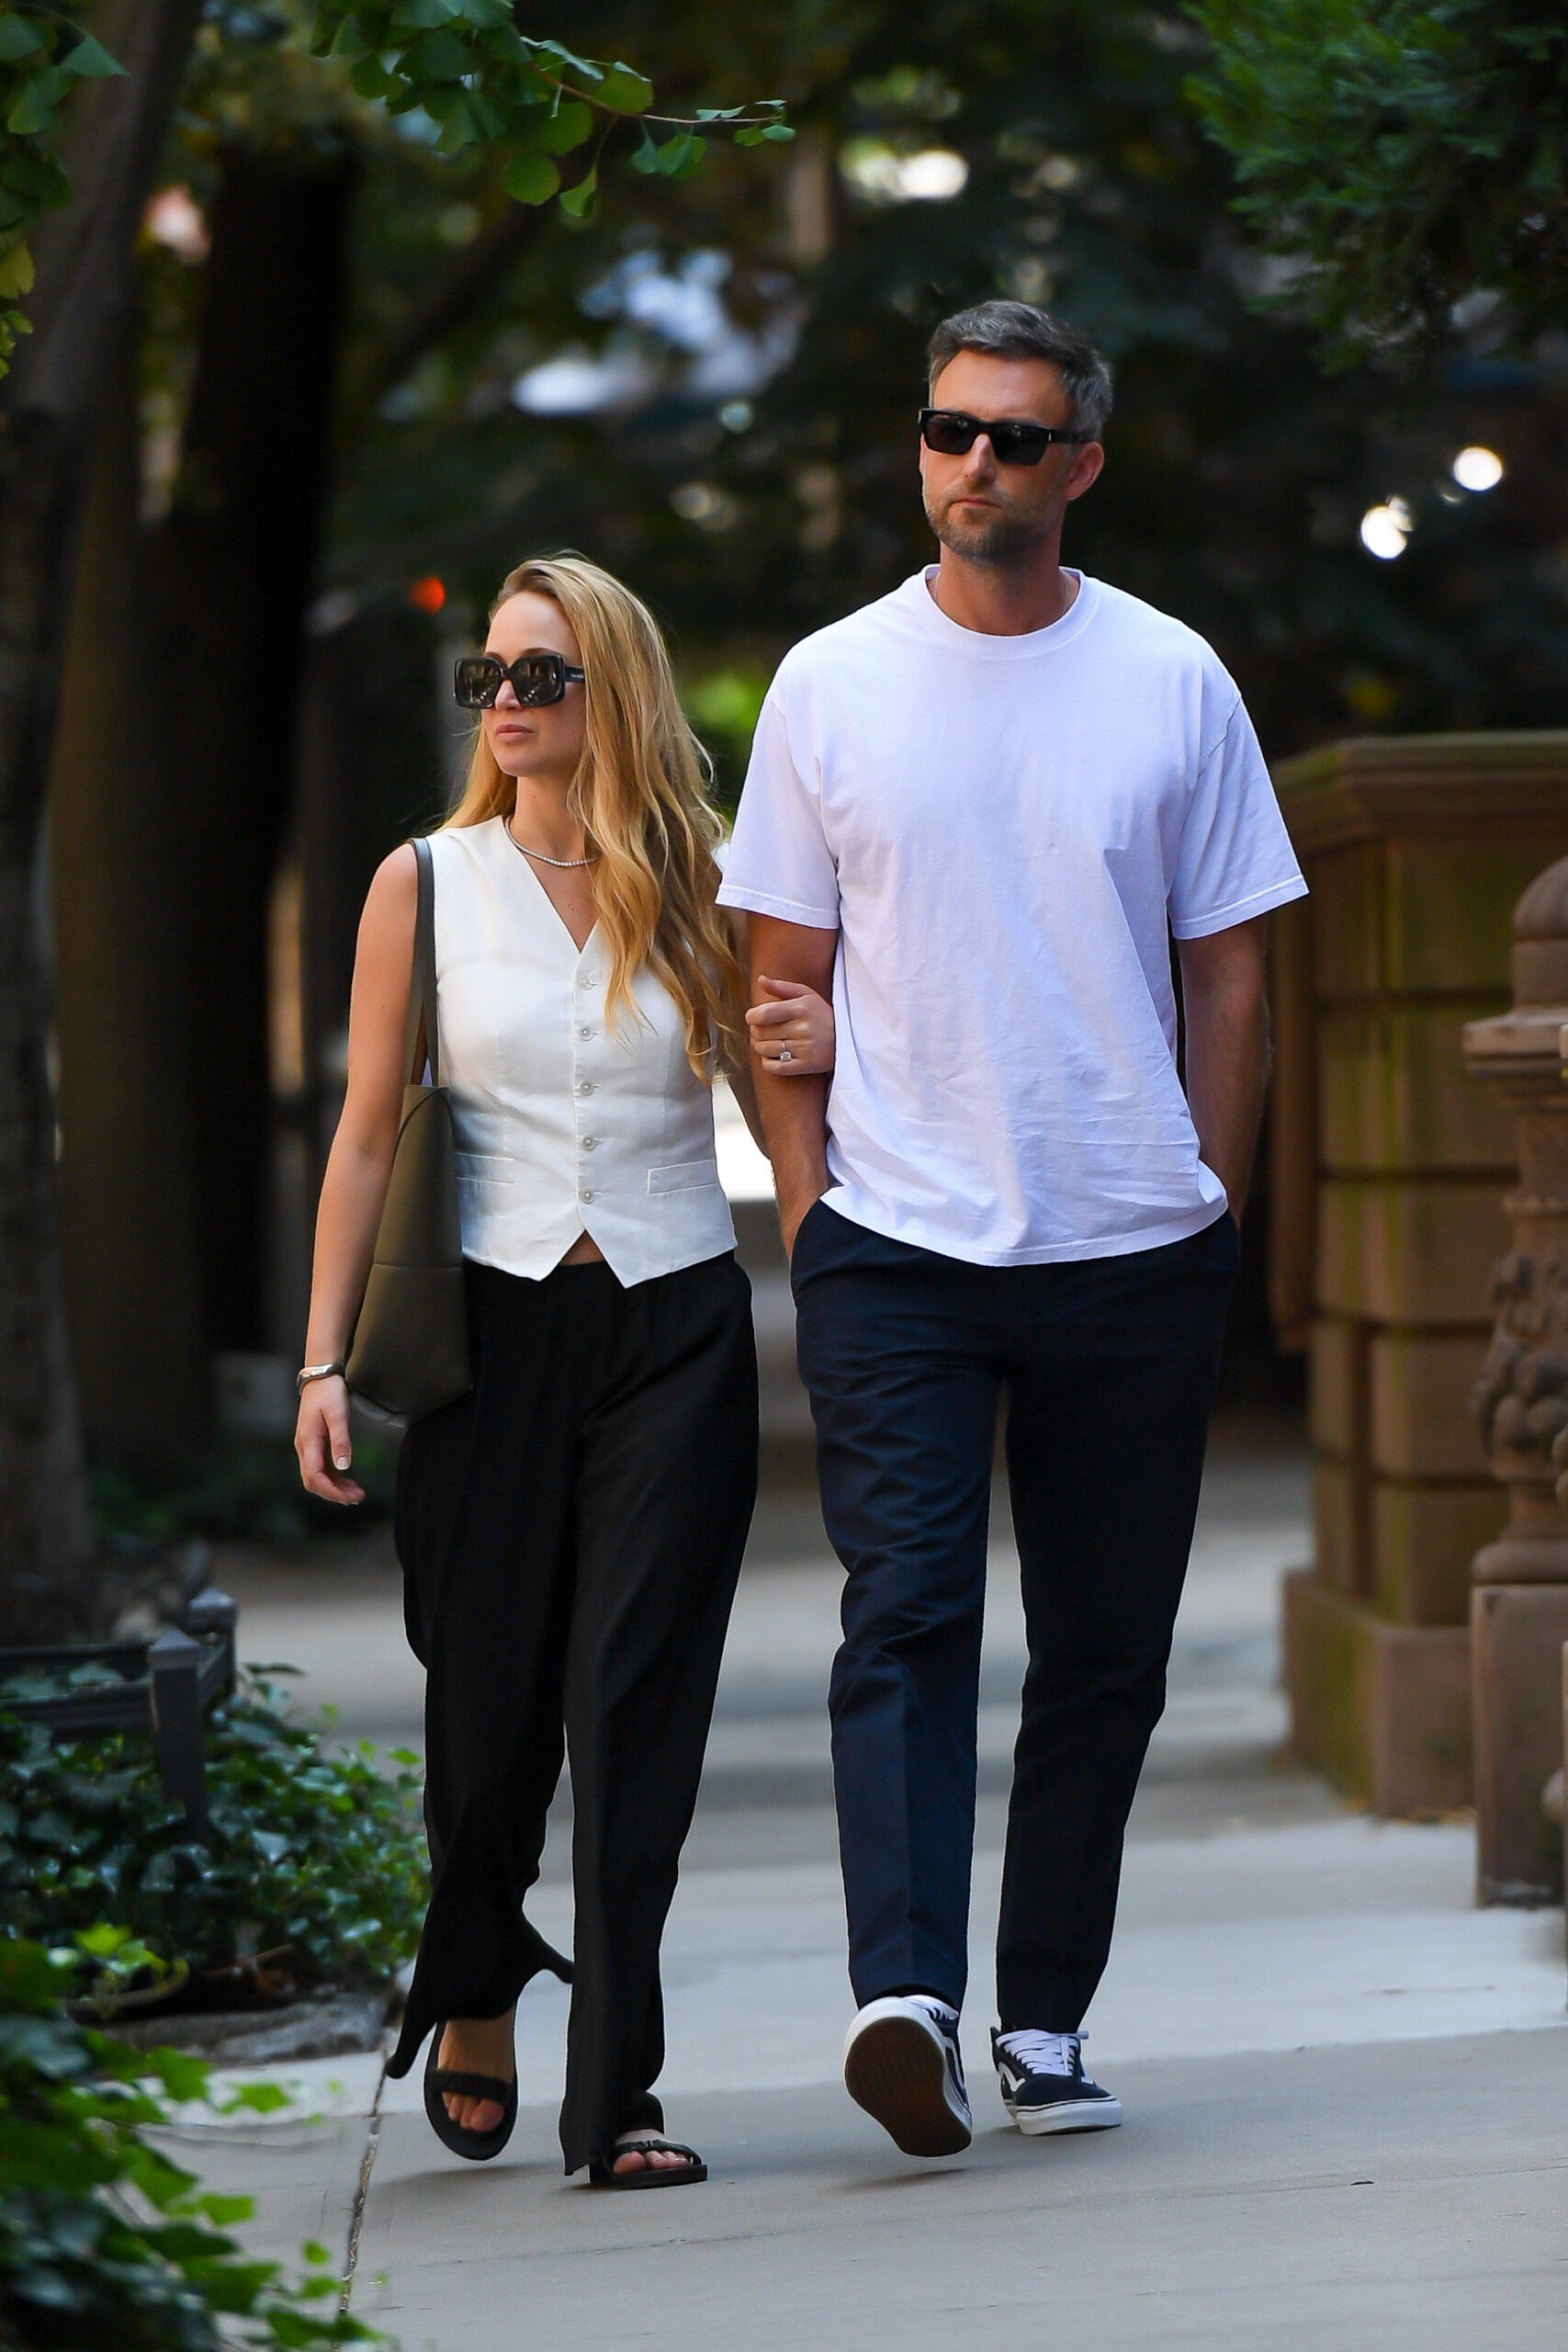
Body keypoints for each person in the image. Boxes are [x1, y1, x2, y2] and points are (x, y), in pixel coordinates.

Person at [718, 300, 1307, 2159]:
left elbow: (1231, 973)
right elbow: (775, 978)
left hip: (1132, 1236)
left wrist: (1206, 1195)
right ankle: (905, 1989)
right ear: (920, 450)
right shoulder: (827, 683)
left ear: (1077, 467)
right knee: (900, 1612)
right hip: (896, 1237)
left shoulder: (1170, 681)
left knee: (1102, 1650)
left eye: (1013, 436)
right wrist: (810, 1214)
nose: (974, 461)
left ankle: (1040, 2010)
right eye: (948, 428)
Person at [293, 553, 832, 2188]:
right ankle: (474, 1982)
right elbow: (370, 1127)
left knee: (635, 1715)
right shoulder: (424, 880)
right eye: (492, 682)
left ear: (616, 690)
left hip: (674, 1325)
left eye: (543, 676)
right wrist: (322, 1359)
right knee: (490, 1712)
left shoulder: (710, 871)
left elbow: (779, 1087)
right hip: (488, 1338)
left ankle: (621, 2101)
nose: (510, 706)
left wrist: (822, 1064)